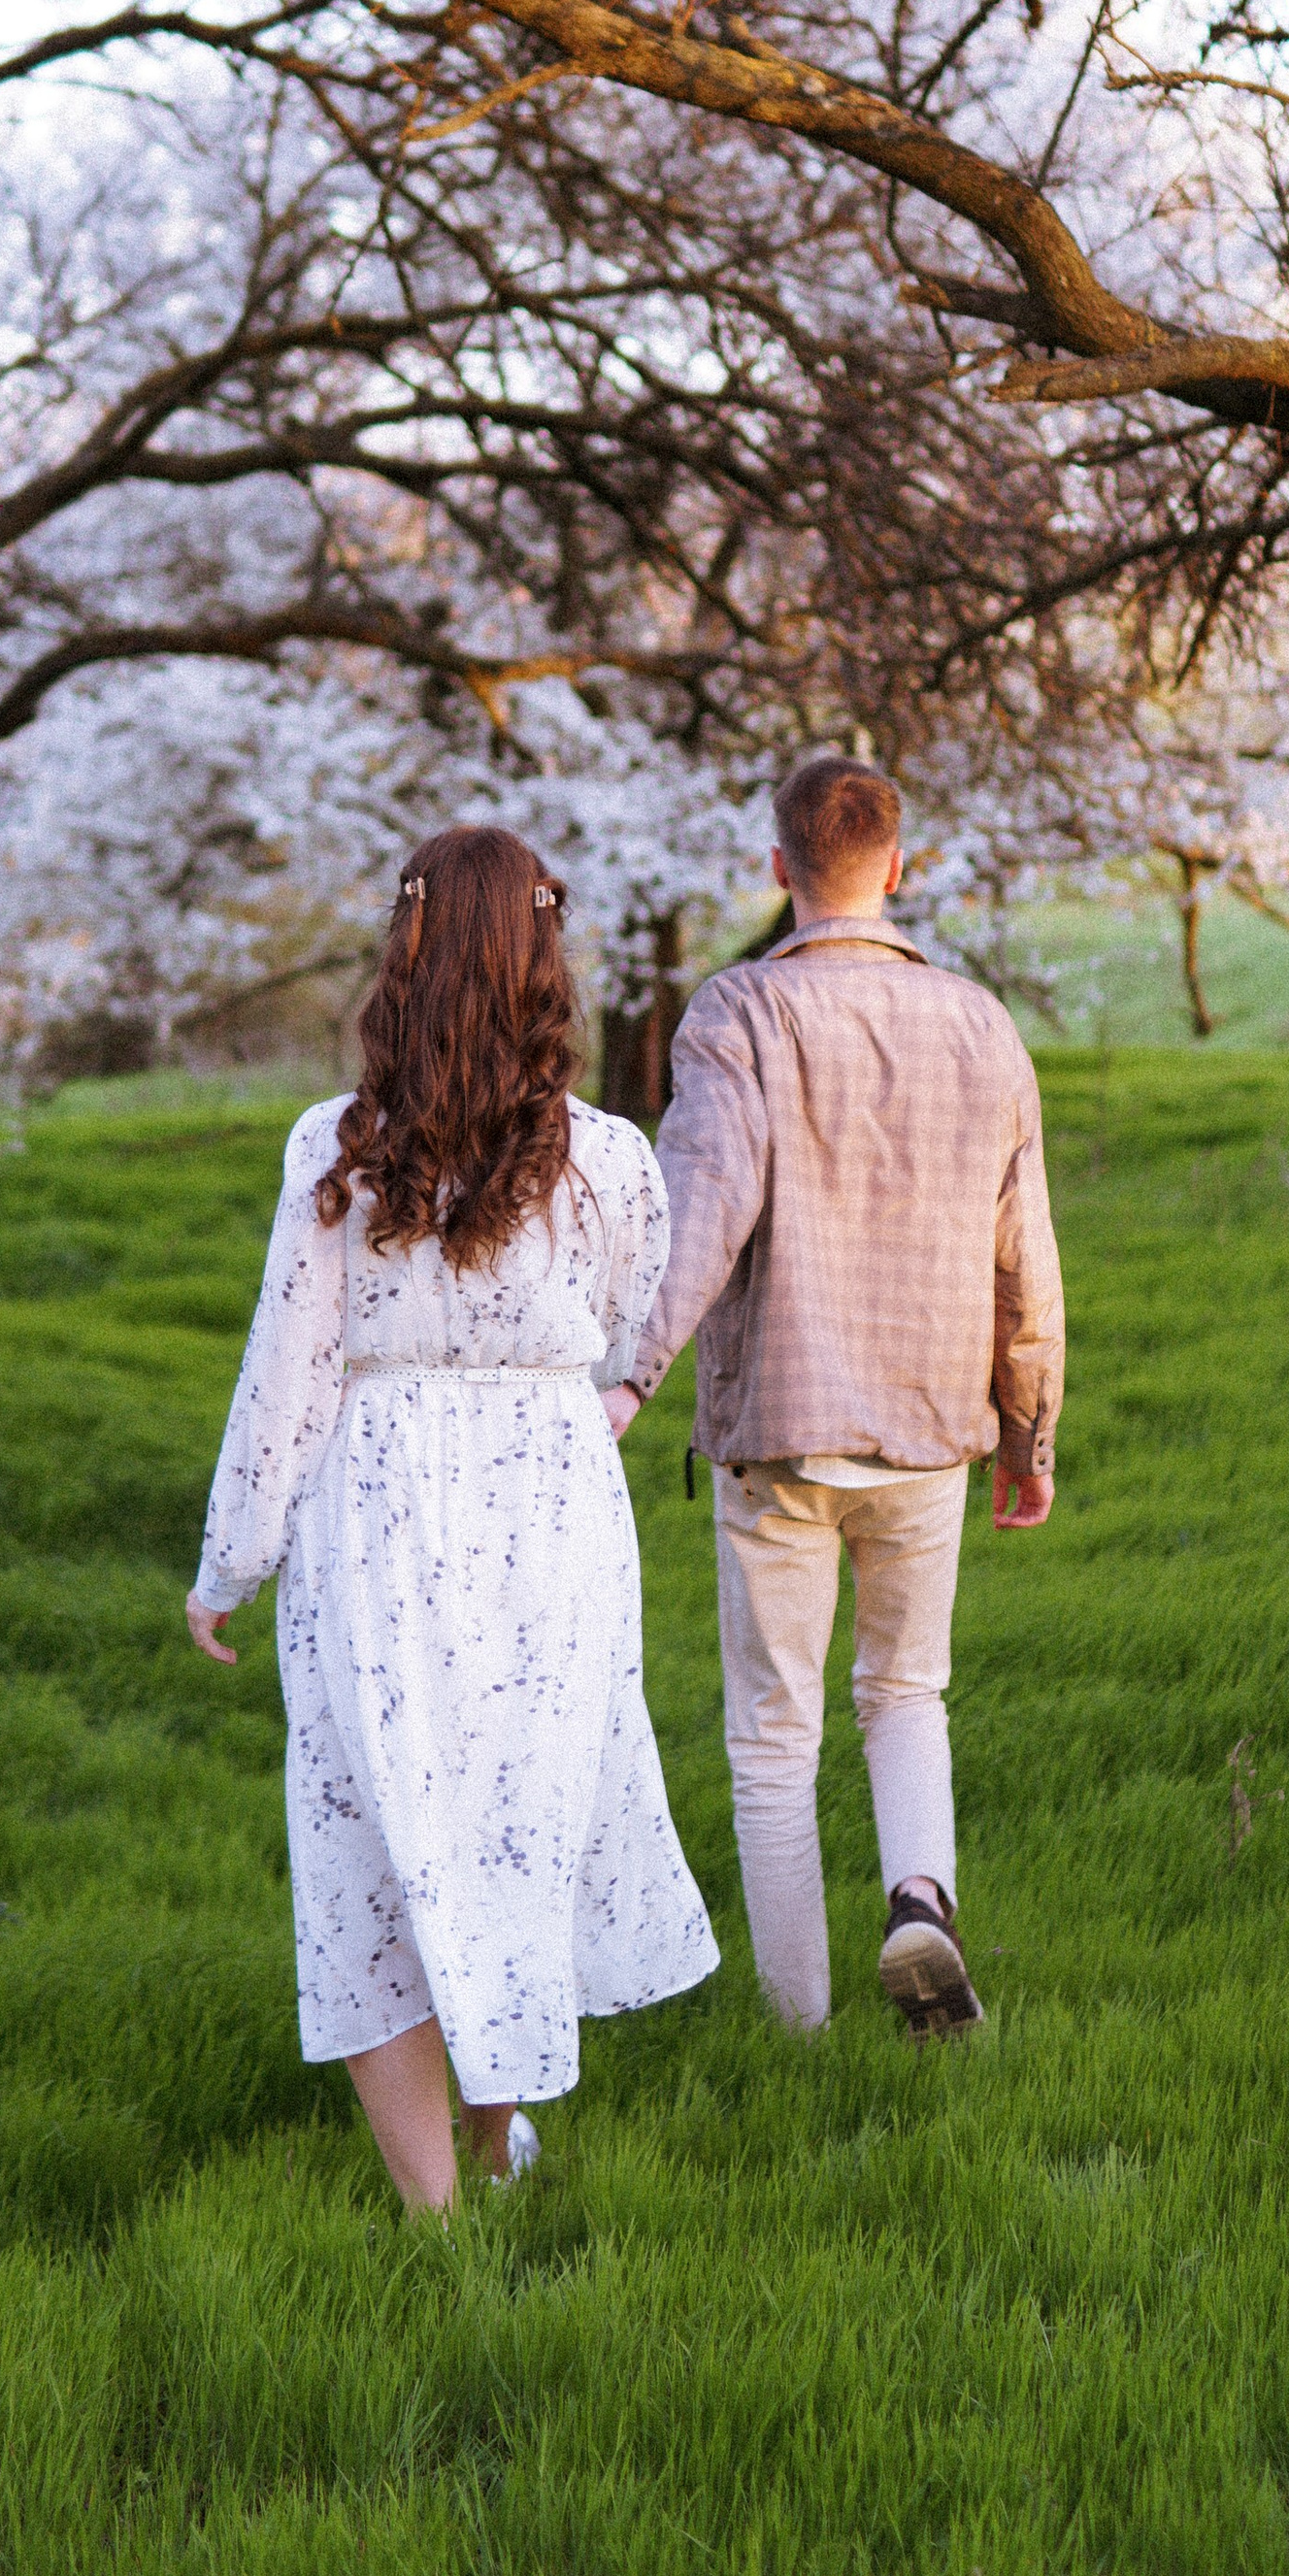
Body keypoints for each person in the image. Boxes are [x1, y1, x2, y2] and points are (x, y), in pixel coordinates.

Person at [186, 824, 717, 2212]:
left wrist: (230, 1560)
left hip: (381, 1502)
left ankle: (433, 2212)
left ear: (405, 946)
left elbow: (288, 1370)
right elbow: (621, 1333)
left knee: (376, 1837)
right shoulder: (613, 1160)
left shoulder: (335, 1149)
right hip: (551, 1496)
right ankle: (492, 2146)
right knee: (514, 1820)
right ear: (546, 953)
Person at [605, 750, 1064, 2040]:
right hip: (930, 1430)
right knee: (906, 1692)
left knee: (773, 1735)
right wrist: (1029, 1430)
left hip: (782, 1432)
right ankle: (920, 1899)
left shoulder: (738, 1012)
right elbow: (1023, 1252)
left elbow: (701, 1209)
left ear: (779, 868)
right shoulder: (981, 1023)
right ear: (898, 868)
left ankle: (798, 2033)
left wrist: (628, 1379)